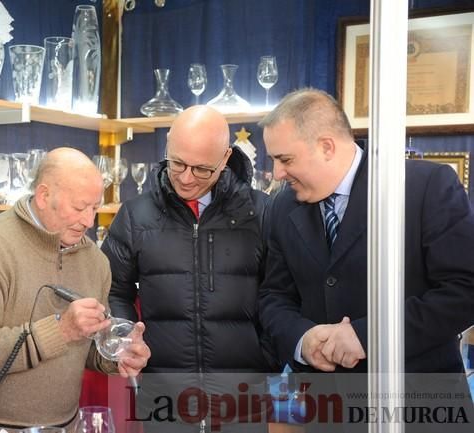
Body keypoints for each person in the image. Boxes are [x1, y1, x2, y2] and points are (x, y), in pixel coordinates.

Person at [259, 88, 474, 430]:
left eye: (285, 159)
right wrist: (304, 339)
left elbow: (464, 291)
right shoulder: (282, 207)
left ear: (326, 146)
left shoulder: (424, 187)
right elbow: (274, 297)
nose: (277, 173)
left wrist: (367, 336)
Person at [0, 147, 151, 433]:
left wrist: (118, 353)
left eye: (95, 208)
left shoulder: (95, 262)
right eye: (79, 208)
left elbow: (86, 346)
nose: (89, 221)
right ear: (44, 196)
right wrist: (60, 330)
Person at [101, 106, 277, 433]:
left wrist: (263, 357)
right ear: (167, 145)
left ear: (225, 158)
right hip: (162, 401)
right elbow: (112, 290)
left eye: (201, 169)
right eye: (177, 163)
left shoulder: (262, 213)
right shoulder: (134, 216)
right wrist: (126, 338)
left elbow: (279, 294)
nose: (185, 177)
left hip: (243, 399)